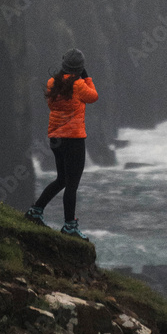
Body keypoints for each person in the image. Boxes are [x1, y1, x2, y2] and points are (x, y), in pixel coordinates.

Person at [24, 48, 98, 240]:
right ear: (80, 68)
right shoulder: (80, 85)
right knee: (71, 184)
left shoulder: (52, 82)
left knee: (62, 180)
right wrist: (87, 77)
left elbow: (51, 105)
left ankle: (35, 211)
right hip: (74, 139)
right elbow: (93, 97)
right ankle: (69, 226)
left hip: (55, 139)